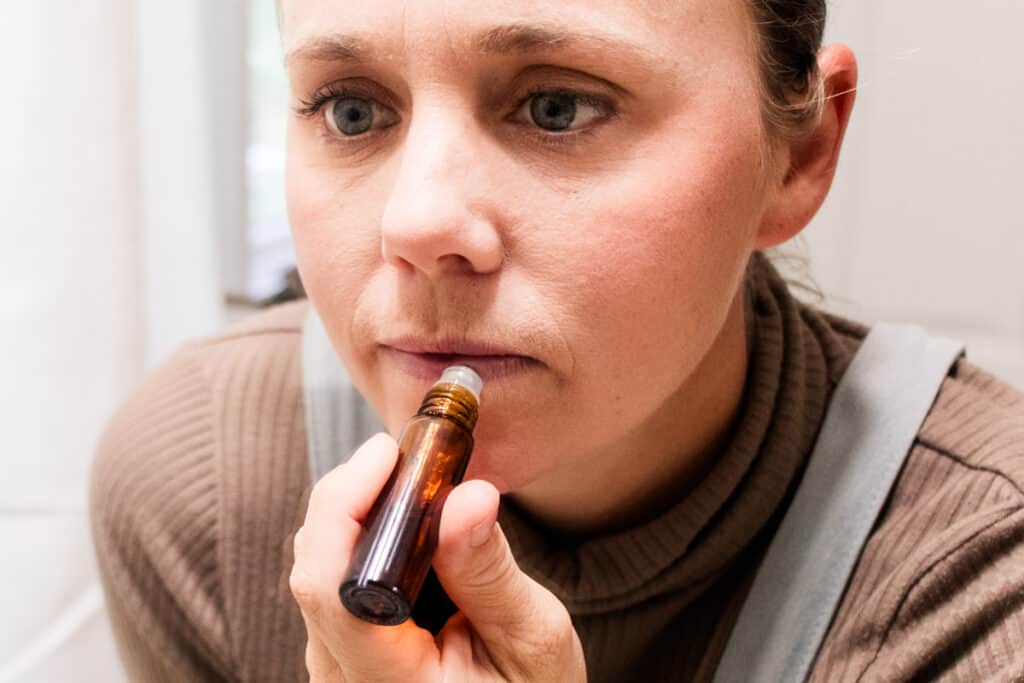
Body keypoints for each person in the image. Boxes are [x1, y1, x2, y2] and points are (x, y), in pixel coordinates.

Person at [89, 0, 1024, 681]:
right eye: (351, 109)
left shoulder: (983, 585)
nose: (418, 223)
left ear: (801, 153)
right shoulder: (204, 488)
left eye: (557, 108)